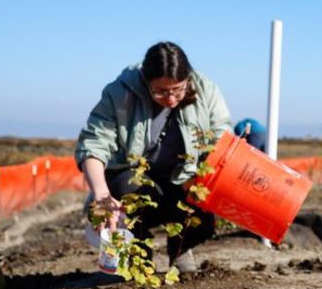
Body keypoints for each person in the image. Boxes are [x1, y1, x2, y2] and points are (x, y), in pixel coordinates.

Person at [75, 42, 231, 273]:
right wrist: (101, 195)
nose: (170, 98)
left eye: (178, 89)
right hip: (135, 180)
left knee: (203, 213)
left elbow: (222, 140)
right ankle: (136, 255)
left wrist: (207, 179)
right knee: (128, 191)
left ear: (187, 79)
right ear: (145, 82)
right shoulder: (119, 93)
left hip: (184, 180)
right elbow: (93, 143)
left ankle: (181, 249)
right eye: (160, 91)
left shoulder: (206, 90)